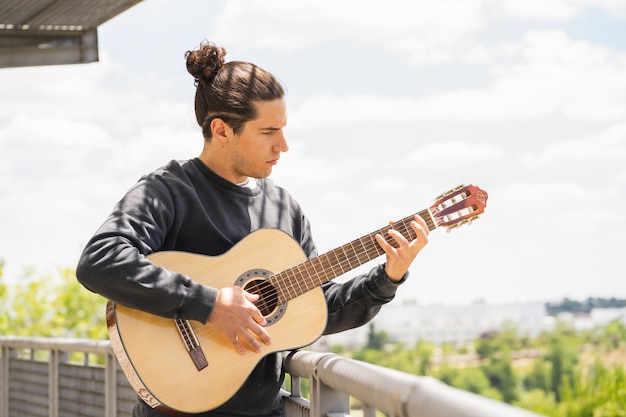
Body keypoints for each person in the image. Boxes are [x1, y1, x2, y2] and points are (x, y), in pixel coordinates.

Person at [76, 40, 429, 417]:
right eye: (268, 131)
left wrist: (387, 277)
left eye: (284, 130)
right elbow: (100, 261)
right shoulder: (168, 190)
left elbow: (318, 308)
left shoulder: (284, 208)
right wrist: (208, 304)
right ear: (222, 130)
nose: (284, 145)